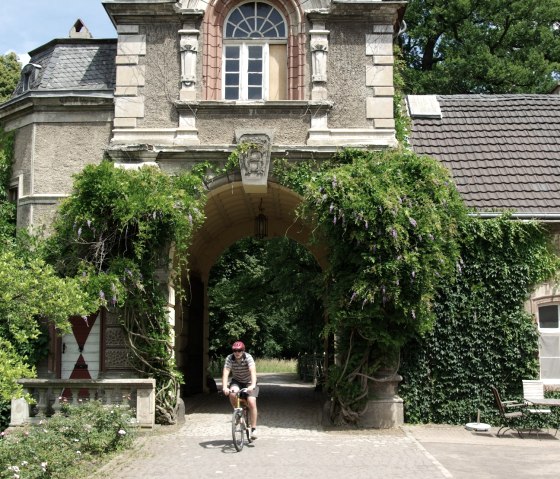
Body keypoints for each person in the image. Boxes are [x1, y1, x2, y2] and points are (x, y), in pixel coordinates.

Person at [222, 340, 259, 439]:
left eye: (239, 350)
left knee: (251, 402)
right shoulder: (229, 358)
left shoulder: (248, 357)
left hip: (249, 381)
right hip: (237, 380)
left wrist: (252, 385)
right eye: (235, 350)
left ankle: (254, 429)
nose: (237, 352)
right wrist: (225, 387)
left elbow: (253, 372)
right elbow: (226, 373)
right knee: (233, 394)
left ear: (243, 351)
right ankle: (237, 412)